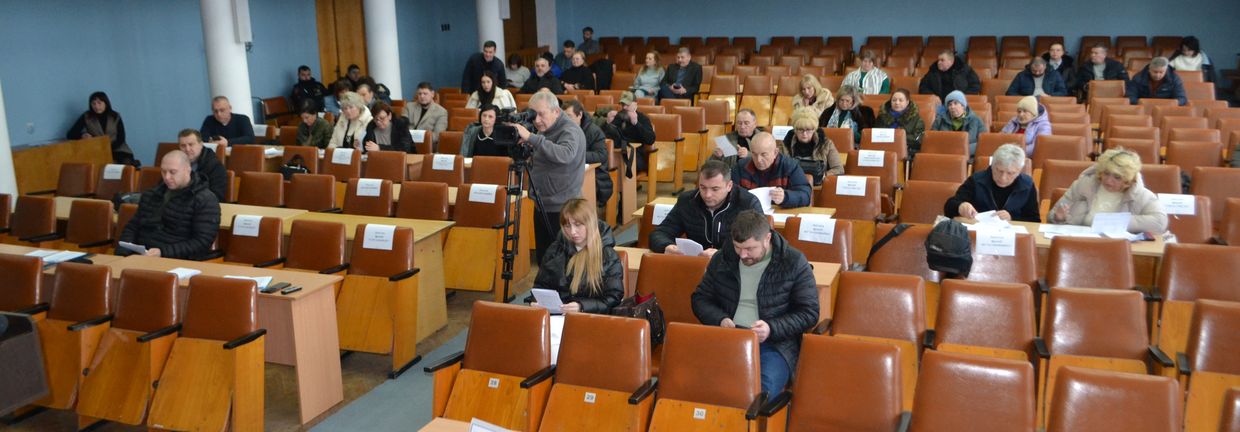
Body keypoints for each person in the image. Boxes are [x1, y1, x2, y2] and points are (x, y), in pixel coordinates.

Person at [691, 210, 818, 395]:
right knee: (697, 384)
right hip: (727, 337)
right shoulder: (722, 258)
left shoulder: (793, 262)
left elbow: (809, 313)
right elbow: (700, 299)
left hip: (774, 344)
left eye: (750, 248)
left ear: (767, 238)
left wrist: (771, 328)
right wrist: (720, 319)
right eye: (737, 247)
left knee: (757, 393)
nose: (742, 255)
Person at [509, 91, 587, 261]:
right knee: (544, 259)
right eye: (533, 114)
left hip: (563, 208)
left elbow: (565, 154)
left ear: (556, 111)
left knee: (562, 262)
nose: (537, 120)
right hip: (542, 202)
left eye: (541, 114)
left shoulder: (570, 130)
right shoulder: (545, 128)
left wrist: (532, 138)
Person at [117, 150, 220, 259]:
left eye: (173, 172)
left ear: (188, 169)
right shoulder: (151, 194)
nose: (166, 177)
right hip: (141, 256)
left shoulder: (205, 200)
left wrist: (162, 252)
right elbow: (132, 227)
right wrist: (122, 253)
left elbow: (202, 242)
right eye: (163, 171)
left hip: (177, 259)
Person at [650, 160, 763, 256]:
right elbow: (659, 233)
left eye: (715, 189)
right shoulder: (687, 201)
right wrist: (666, 246)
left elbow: (760, 244)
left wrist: (721, 255)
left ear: (729, 186)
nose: (707, 195)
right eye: (703, 187)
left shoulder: (748, 203)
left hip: (734, 268)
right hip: (696, 265)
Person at [532, 198, 623, 313]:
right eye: (567, 226)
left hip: (590, 317)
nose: (572, 232)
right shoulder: (555, 250)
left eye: (578, 225)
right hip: (558, 315)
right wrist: (537, 301)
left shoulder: (608, 256)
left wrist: (582, 307)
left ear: (590, 223)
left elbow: (613, 298)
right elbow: (540, 285)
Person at [1048, 148, 1167, 234]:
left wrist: (1115, 222)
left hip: (1117, 249)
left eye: (1117, 177)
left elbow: (1160, 223)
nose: (1109, 181)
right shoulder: (1083, 185)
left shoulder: (1141, 195)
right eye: (1106, 173)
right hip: (1079, 243)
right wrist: (1058, 218)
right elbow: (1053, 215)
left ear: (1128, 180)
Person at [944, 144, 1040, 222]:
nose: (1003, 178)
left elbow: (1034, 220)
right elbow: (949, 207)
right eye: (999, 171)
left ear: (1019, 171)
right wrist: (960, 206)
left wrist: (1012, 218)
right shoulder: (976, 180)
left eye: (1010, 173)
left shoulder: (1027, 185)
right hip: (979, 231)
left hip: (1012, 235)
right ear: (992, 165)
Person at [733, 132, 812, 208]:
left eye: (764, 154)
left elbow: (805, 196)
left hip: (780, 213)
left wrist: (785, 197)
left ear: (775, 152)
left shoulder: (789, 166)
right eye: (754, 154)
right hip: (750, 214)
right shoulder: (741, 167)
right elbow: (731, 195)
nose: (758, 160)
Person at [564, 100, 612, 208]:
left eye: (569, 116)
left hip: (596, 177)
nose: (566, 120)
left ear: (580, 115)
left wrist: (575, 155)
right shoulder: (562, 130)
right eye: (564, 117)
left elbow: (601, 155)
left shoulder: (593, 131)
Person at [65, 91, 135, 165]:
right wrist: (82, 135)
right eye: (93, 103)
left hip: (118, 149)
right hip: (98, 151)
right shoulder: (87, 116)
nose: (96, 106)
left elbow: (121, 137)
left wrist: (109, 148)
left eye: (99, 103)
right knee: (105, 167)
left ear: (106, 103)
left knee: (125, 165)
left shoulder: (115, 116)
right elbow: (70, 134)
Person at [780, 108, 843, 185]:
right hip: (792, 186)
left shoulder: (826, 144)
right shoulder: (785, 144)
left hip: (818, 186)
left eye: (808, 130)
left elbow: (839, 169)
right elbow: (778, 167)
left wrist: (824, 175)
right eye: (800, 130)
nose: (804, 134)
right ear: (795, 130)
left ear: (814, 129)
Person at [604, 92, 656, 175]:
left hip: (635, 156)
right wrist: (607, 123)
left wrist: (636, 124)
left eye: (627, 105)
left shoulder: (643, 119)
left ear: (635, 104)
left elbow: (650, 140)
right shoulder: (617, 117)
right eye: (622, 104)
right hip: (616, 155)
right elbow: (604, 139)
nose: (624, 107)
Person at [176, 129, 228, 202]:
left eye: (191, 144)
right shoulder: (175, 164)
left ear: (201, 145)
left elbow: (216, 196)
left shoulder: (215, 166)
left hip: (202, 206)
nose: (187, 149)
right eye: (183, 146)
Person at [930, 91, 986, 155]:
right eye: (950, 104)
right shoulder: (940, 120)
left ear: (963, 106)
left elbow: (983, 143)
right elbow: (932, 140)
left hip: (968, 157)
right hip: (945, 155)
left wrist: (961, 150)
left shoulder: (976, 120)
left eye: (955, 103)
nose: (952, 107)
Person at [875, 88, 926, 153]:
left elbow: (918, 139)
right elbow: (875, 135)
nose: (897, 103)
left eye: (901, 100)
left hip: (907, 151)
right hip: (882, 150)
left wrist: (896, 137)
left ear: (907, 102)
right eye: (894, 100)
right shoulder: (882, 117)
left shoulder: (917, 120)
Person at [403, 82, 448, 149]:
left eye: (425, 94)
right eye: (419, 94)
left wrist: (418, 138)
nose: (422, 96)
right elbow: (402, 127)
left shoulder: (441, 112)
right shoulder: (409, 106)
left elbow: (437, 135)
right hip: (406, 143)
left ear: (432, 94)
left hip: (426, 145)